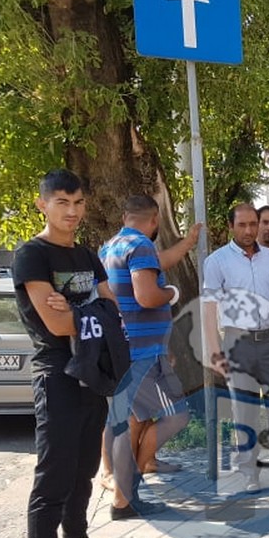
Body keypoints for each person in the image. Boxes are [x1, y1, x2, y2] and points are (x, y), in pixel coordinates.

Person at [13, 169, 131, 538]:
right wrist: (90, 312)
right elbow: (57, 325)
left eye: (78, 202)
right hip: (57, 377)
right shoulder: (32, 255)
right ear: (42, 204)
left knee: (83, 471)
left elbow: (113, 308)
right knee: (52, 482)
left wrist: (80, 311)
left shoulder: (85, 254)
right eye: (62, 202)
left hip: (91, 375)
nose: (73, 211)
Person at [99, 195, 199, 519]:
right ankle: (125, 496)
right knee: (175, 417)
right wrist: (172, 293)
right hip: (143, 354)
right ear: (155, 220)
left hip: (129, 348)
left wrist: (187, 243)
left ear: (125, 216)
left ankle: (126, 493)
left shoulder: (110, 247)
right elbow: (147, 296)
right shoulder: (140, 246)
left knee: (134, 420)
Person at [203, 203, 269, 494]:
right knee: (244, 409)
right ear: (231, 226)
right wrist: (215, 350)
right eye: (242, 225)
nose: (249, 230)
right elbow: (209, 309)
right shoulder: (217, 261)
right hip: (237, 343)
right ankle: (249, 472)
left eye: (254, 224)